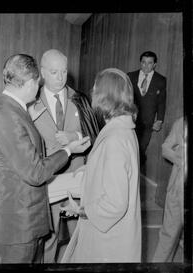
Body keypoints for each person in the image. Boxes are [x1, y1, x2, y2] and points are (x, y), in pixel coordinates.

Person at [0, 53, 91, 263]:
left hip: (24, 219)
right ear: (31, 82)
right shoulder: (7, 116)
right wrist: (68, 151)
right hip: (17, 224)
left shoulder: (8, 109)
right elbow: (36, 172)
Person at [61, 68, 142, 263]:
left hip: (107, 242)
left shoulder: (115, 138)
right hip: (115, 235)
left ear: (105, 95)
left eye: (95, 89)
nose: (92, 93)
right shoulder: (124, 128)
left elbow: (115, 204)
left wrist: (83, 210)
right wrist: (92, 168)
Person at [28, 49, 99, 263]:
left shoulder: (79, 99)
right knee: (48, 236)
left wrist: (74, 135)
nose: (60, 77)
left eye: (64, 71)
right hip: (48, 179)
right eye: (53, 72)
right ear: (41, 72)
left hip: (76, 177)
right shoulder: (30, 102)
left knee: (78, 232)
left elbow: (93, 135)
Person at [152, 117, 185, 262]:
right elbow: (165, 148)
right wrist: (180, 159)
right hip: (178, 188)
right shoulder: (181, 122)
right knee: (167, 236)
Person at [128, 51, 167, 170]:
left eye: (149, 63)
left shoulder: (160, 80)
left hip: (147, 123)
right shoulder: (130, 76)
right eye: (143, 63)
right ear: (140, 62)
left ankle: (134, 174)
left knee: (140, 151)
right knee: (128, 148)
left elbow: (161, 102)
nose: (146, 66)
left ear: (154, 64)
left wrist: (159, 120)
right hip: (130, 121)